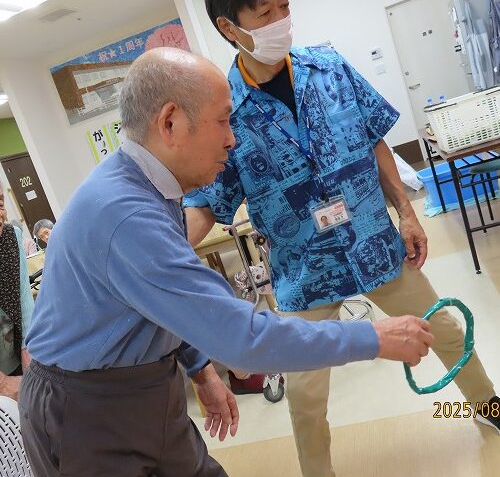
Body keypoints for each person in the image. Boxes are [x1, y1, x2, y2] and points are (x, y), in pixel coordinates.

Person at [19, 48, 433, 477]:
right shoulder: (125, 214)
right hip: (84, 410)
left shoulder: (153, 186)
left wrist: (200, 371)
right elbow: (241, 337)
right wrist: (373, 337)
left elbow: (165, 300)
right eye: (222, 121)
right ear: (170, 123)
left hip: (149, 383)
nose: (232, 139)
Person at [183, 0, 500, 475]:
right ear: (230, 28)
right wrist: (158, 252)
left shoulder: (328, 67)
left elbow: (374, 138)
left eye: (284, 6)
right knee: (306, 394)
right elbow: (207, 202)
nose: (281, 21)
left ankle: (488, 407)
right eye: (265, 14)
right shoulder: (226, 112)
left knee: (447, 332)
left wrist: (406, 213)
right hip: (305, 271)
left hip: (373, 244)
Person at [0, 180, 34, 401]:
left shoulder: (10, 237)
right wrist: (3, 384)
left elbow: (24, 301)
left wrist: (29, 358)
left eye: (0, 203)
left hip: (11, 352)